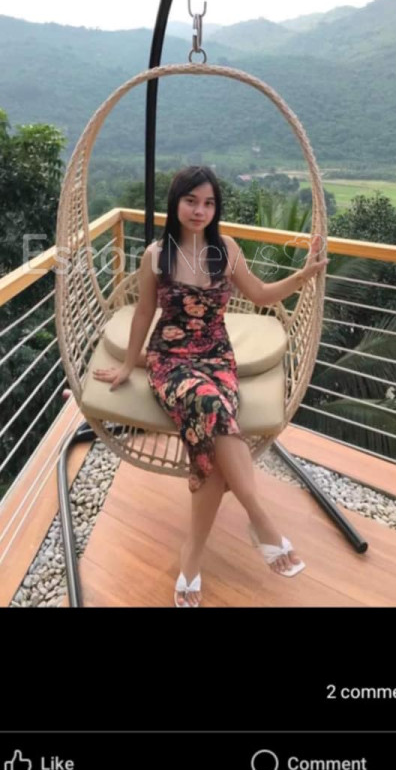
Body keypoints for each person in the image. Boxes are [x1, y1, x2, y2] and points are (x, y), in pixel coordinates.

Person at [92, 165, 329, 607]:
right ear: (175, 203)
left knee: (211, 445)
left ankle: (193, 555)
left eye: (208, 203)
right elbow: (143, 314)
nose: (199, 211)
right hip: (170, 361)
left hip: (218, 358)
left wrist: (305, 276)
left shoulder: (227, 250)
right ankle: (260, 519)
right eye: (191, 201)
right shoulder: (156, 256)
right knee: (211, 407)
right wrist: (128, 364)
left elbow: (260, 295)